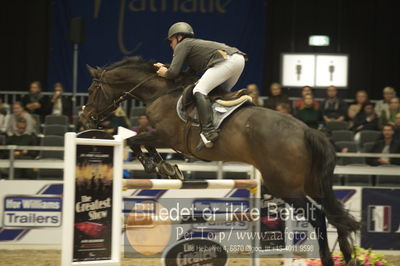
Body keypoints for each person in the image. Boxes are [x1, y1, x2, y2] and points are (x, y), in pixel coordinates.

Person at [153, 22, 247, 148]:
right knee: (218, 95)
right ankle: (223, 126)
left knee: (199, 90)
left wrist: (166, 73)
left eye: (171, 41)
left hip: (228, 62)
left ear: (179, 37)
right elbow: (186, 75)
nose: (171, 45)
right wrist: (167, 69)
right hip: (238, 60)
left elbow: (173, 73)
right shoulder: (193, 48)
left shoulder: (183, 44)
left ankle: (208, 131)